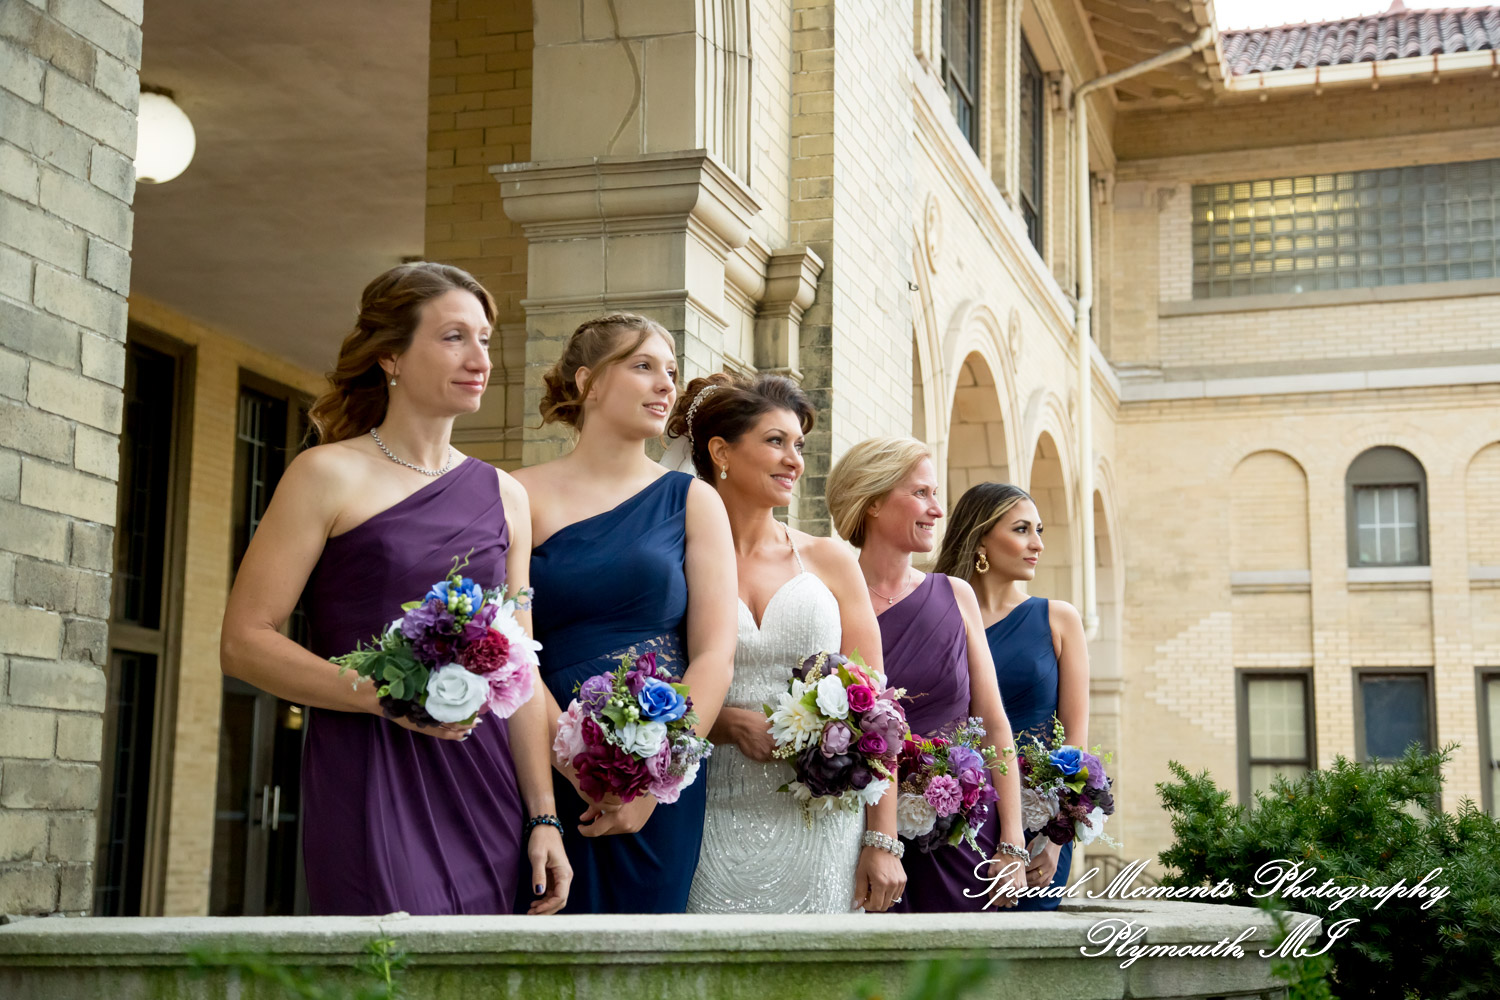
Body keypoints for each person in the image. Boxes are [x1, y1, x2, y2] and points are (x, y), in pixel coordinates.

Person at [220, 262, 569, 915]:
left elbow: (520, 670)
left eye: (484, 339)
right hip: (369, 770)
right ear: (391, 357)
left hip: (483, 784)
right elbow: (244, 643)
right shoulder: (325, 474)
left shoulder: (507, 497)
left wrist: (543, 816)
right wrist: (388, 699)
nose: (479, 359)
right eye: (453, 337)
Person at [515, 313, 738, 914]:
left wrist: (655, 780)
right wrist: (578, 766)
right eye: (643, 366)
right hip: (540, 758)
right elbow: (512, 655)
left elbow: (715, 653)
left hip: (660, 780)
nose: (666, 384)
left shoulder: (693, 500)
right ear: (587, 382)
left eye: (671, 371)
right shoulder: (517, 494)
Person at [672, 373, 907, 914]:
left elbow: (881, 713)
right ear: (720, 452)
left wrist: (882, 839)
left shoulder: (829, 559)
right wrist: (724, 723)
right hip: (707, 807)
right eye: (776, 441)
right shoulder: (674, 564)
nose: (794, 460)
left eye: (798, 444)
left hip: (824, 822)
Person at [826, 437, 1028, 912]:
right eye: (921, 493)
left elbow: (994, 723)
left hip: (960, 839)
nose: (938, 510)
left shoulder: (956, 594)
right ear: (872, 501)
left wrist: (1013, 843)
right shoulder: (823, 598)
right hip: (851, 833)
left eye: (936, 494)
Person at [934, 482, 1090, 911]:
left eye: (1038, 530)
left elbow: (1075, 744)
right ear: (981, 538)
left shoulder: (1058, 618)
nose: (1037, 544)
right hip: (952, 815)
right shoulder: (940, 615)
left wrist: (1057, 839)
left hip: (1038, 829)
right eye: (1022, 530)